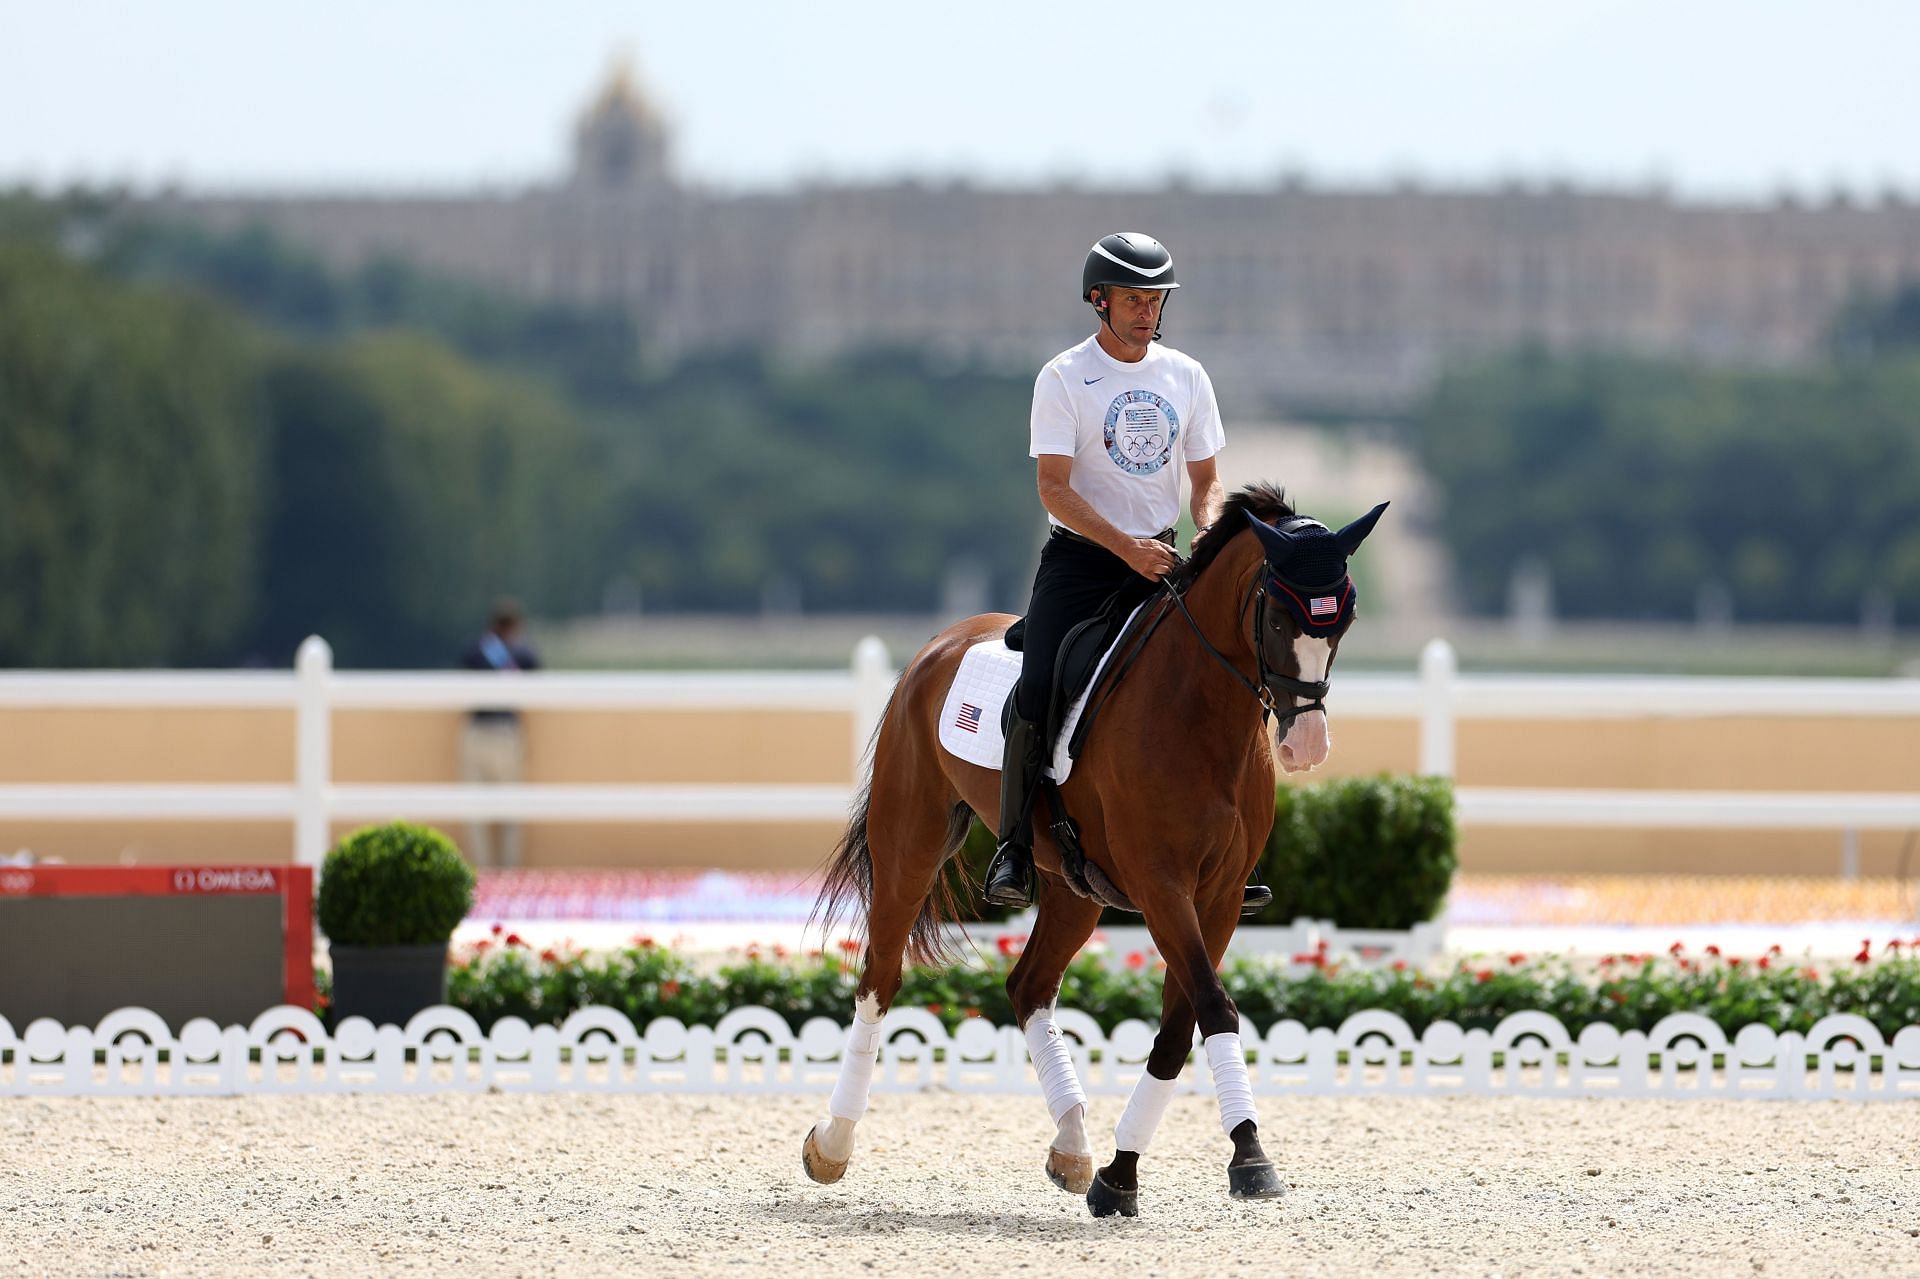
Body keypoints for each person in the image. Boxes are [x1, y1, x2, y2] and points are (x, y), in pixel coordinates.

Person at [981, 232, 1268, 914]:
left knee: (1233, 679)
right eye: (1135, 300)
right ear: (1098, 301)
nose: (1147, 312)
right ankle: (1015, 844)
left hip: (1166, 558)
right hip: (1083, 563)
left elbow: (1208, 481)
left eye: (1155, 299)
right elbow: (1054, 488)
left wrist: (1211, 525)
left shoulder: (1187, 377)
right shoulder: (1063, 377)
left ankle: (1239, 852)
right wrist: (1123, 547)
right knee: (1041, 683)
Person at [459, 598, 540, 869]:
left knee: (476, 809)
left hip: (477, 732)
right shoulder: (519, 655)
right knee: (511, 809)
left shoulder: (476, 651)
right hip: (507, 732)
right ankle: (509, 869)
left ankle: (482, 869)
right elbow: (536, 668)